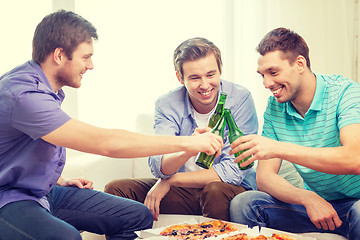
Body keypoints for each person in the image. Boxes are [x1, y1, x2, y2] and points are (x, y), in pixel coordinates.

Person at [0, 11, 224, 240]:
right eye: (85, 57)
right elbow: (107, 143)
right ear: (59, 55)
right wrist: (191, 142)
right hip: (8, 199)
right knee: (67, 238)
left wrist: (56, 178)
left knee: (137, 216)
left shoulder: (44, 88)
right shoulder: (24, 95)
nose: (91, 65)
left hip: (43, 192)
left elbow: (20, 146)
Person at [104, 37, 258, 222]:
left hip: (225, 191)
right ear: (180, 78)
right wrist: (189, 148)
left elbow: (233, 172)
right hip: (185, 192)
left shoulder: (240, 99)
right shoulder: (167, 104)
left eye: (211, 75)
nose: (205, 84)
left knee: (214, 190)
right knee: (116, 190)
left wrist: (171, 182)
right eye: (195, 78)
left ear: (220, 70)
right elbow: (159, 166)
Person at [229, 27, 360, 239]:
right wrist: (307, 198)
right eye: (263, 75)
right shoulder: (275, 107)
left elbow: (355, 159)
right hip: (316, 207)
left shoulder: (346, 93)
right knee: (245, 204)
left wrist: (278, 148)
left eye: (273, 72)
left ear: (300, 64)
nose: (267, 83)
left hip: (357, 203)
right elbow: (264, 178)